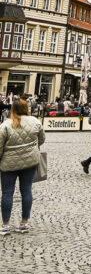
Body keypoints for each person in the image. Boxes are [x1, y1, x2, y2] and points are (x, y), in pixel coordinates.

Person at [0, 97, 45, 234]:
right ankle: (24, 223)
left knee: (7, 192)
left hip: (9, 163)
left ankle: (5, 225)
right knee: (26, 190)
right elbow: (42, 139)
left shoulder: (6, 125)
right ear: (27, 108)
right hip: (30, 162)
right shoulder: (35, 122)